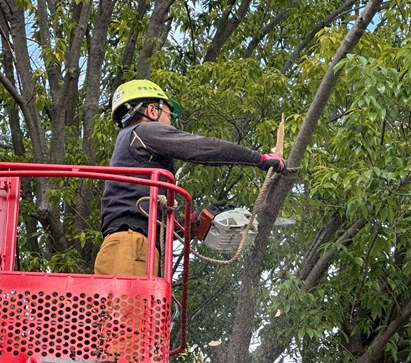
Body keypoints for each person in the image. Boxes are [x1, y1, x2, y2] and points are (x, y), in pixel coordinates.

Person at [94, 79, 285, 276]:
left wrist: (192, 225)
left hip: (132, 247)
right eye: (169, 116)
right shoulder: (144, 131)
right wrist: (259, 159)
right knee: (130, 308)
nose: (171, 123)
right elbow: (204, 148)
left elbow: (147, 219)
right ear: (152, 111)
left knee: (133, 307)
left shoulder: (131, 147)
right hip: (132, 247)